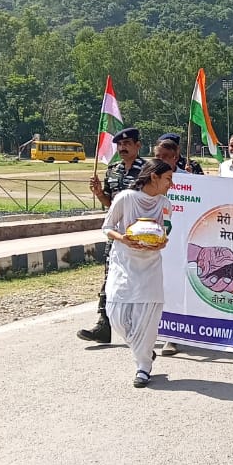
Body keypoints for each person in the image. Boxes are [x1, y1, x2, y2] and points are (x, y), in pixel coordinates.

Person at [101, 158, 174, 388]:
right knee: (117, 317)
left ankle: (143, 367)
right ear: (154, 177)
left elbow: (165, 232)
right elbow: (107, 227)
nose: (170, 184)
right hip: (124, 264)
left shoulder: (165, 204)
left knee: (148, 319)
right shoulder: (125, 198)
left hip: (151, 267)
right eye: (168, 179)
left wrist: (160, 243)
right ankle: (142, 350)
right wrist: (124, 239)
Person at [77, 127, 145, 344]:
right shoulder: (113, 170)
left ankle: (139, 326)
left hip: (139, 234)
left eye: (127, 144)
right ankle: (103, 324)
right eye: (120, 145)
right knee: (110, 277)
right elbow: (110, 203)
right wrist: (99, 193)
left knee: (139, 280)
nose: (123, 148)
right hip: (116, 234)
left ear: (137, 146)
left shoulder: (147, 170)